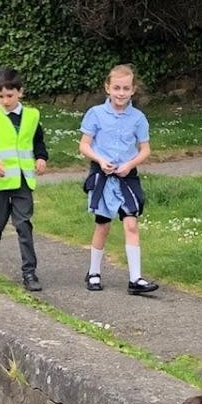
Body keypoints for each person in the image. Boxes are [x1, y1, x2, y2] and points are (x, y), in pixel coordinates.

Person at [78, 63, 158, 296]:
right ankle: (94, 272)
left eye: (125, 88)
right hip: (102, 175)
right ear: (108, 88)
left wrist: (130, 165)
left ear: (133, 90)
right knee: (103, 225)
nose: (121, 93)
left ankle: (136, 278)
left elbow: (145, 149)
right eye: (116, 88)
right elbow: (84, 144)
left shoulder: (138, 118)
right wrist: (101, 161)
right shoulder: (96, 114)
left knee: (131, 223)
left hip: (127, 177)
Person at [0, 67, 48, 291]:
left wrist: (41, 158)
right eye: (0, 96)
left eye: (9, 96)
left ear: (20, 93)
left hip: (23, 181)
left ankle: (29, 273)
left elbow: (38, 143)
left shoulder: (32, 116)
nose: (5, 101)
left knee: (23, 225)